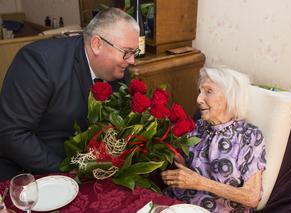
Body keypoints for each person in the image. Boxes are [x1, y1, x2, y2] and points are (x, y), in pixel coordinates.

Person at [0, 7, 140, 181]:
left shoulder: (118, 71)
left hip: (86, 169)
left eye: (135, 53)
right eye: (127, 52)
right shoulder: (39, 62)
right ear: (97, 45)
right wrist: (67, 170)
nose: (132, 61)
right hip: (30, 173)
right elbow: (12, 134)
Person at [161, 67, 266, 212]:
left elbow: (251, 197)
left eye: (208, 92)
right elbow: (188, 168)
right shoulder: (198, 126)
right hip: (180, 204)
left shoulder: (249, 135)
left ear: (230, 97)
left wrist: (199, 183)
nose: (198, 100)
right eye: (200, 92)